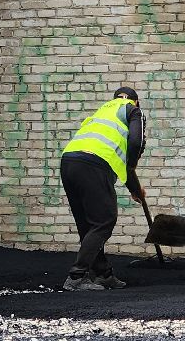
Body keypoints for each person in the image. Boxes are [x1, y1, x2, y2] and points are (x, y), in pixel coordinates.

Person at [60, 86, 146, 292]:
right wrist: (133, 163)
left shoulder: (102, 112)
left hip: (69, 161)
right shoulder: (133, 110)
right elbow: (135, 143)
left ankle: (102, 273)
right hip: (93, 164)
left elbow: (118, 157)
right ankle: (77, 276)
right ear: (136, 101)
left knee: (88, 225)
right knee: (104, 221)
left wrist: (134, 189)